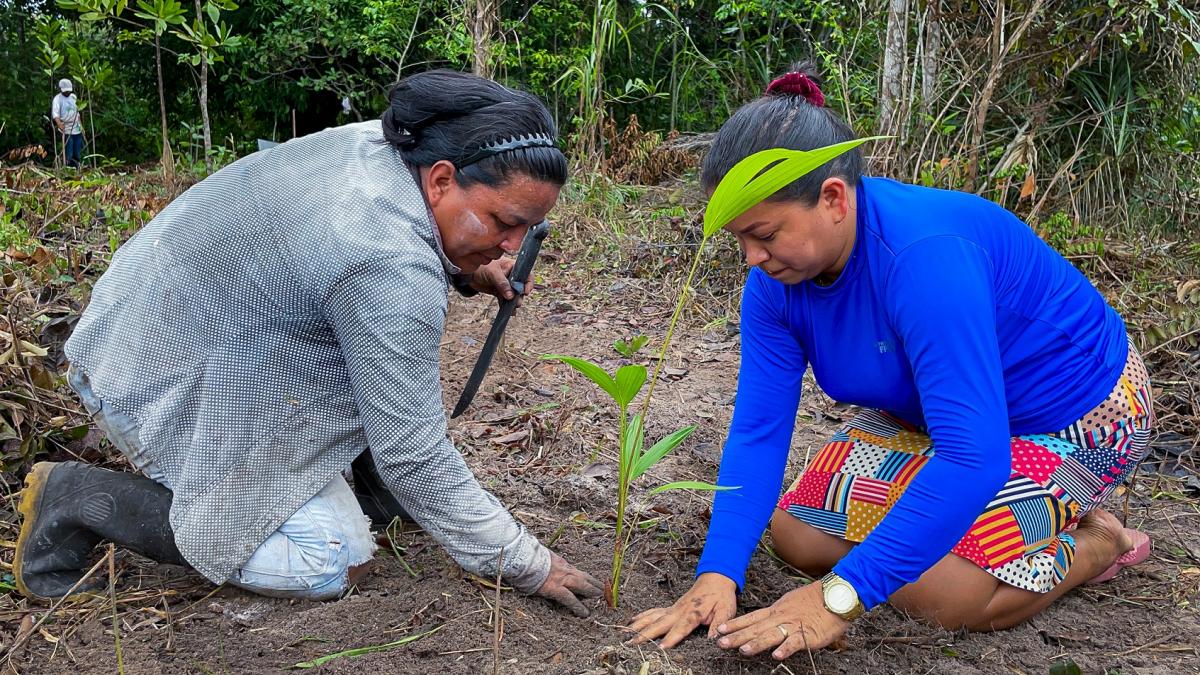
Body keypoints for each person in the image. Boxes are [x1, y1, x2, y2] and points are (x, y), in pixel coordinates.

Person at [14, 70, 603, 616]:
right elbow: (414, 452)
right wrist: (526, 564)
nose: (511, 246)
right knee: (330, 559)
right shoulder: (388, 262)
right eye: (503, 223)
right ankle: (75, 497)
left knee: (388, 463)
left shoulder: (384, 146)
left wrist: (465, 268)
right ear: (443, 178)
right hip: (148, 372)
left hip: (150, 315)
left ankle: (356, 477)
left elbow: (332, 260)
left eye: (529, 229)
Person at [629, 63, 1154, 660]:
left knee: (950, 593)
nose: (751, 257)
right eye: (738, 238)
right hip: (936, 415)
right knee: (796, 533)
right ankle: (981, 531)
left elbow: (973, 458)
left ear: (833, 198)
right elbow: (758, 429)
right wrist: (718, 573)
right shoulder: (775, 284)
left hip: (1072, 417)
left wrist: (836, 599)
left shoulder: (925, 259)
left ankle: (1099, 543)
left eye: (766, 233)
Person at [51, 78, 84, 169]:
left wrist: (81, 126)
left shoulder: (73, 97)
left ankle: (77, 169)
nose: (67, 93)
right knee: (68, 152)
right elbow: (55, 114)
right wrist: (59, 124)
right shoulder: (57, 99)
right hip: (66, 128)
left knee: (77, 151)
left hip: (76, 127)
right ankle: (68, 170)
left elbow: (77, 112)